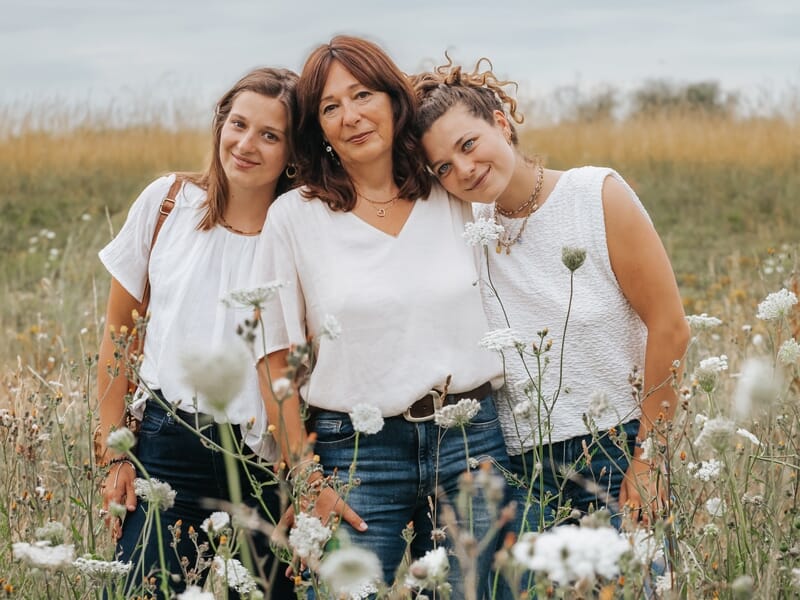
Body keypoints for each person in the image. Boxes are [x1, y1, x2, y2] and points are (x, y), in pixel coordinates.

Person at [255, 36, 510, 596]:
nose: (351, 116)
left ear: (394, 101)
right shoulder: (294, 218)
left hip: (471, 439)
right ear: (316, 128)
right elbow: (277, 355)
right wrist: (304, 476)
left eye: (362, 94)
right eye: (330, 106)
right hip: (355, 455)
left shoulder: (453, 191)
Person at [412, 60, 690, 535]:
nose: (464, 169)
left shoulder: (595, 194)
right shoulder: (461, 224)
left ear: (501, 122)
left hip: (613, 448)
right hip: (515, 466)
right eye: (444, 166)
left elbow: (670, 327)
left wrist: (649, 458)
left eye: (468, 144)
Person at [95, 67, 298, 598]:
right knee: (141, 590)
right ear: (220, 125)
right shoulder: (168, 203)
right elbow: (120, 339)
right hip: (168, 446)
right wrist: (117, 453)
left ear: (293, 152)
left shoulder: (302, 231)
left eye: (269, 135)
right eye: (238, 124)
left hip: (266, 464)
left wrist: (305, 474)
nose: (245, 144)